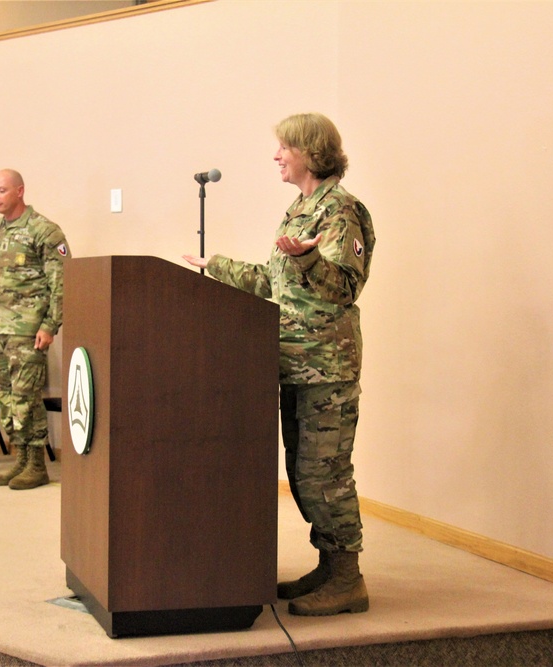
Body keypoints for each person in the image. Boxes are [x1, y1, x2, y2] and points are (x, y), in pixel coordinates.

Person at [184, 113, 375, 616]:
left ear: (309, 152)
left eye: (283, 148)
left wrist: (310, 260)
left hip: (326, 368)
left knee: (324, 474)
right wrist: (217, 267)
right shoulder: (300, 210)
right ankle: (329, 567)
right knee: (301, 470)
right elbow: (277, 284)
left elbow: (343, 287)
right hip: (291, 362)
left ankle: (348, 579)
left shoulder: (341, 211)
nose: (276, 156)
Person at [0, 169, 69, 490]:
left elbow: (61, 283)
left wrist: (50, 325)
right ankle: (19, 459)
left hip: (28, 330)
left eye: (1, 190)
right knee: (5, 396)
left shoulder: (43, 231)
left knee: (26, 396)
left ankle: (36, 465)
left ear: (20, 191)